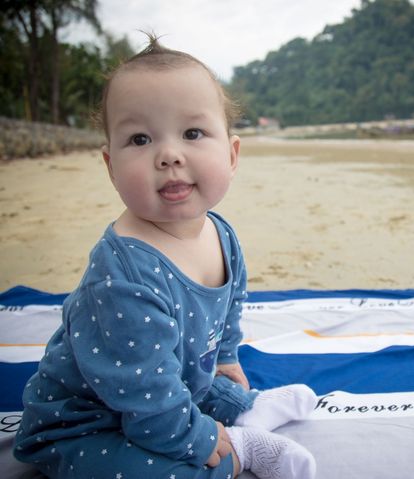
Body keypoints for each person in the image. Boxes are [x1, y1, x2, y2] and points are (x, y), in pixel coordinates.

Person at [13, 36, 318, 479]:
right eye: (140, 138)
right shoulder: (123, 275)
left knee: (204, 386)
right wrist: (209, 442)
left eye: (193, 133)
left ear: (232, 155)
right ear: (110, 165)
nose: (170, 155)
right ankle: (243, 449)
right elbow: (148, 398)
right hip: (89, 420)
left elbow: (229, 306)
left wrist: (227, 355)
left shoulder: (220, 233)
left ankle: (245, 409)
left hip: (167, 384)